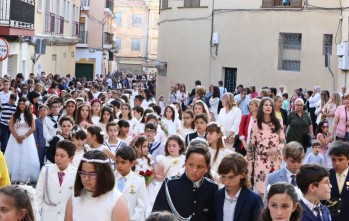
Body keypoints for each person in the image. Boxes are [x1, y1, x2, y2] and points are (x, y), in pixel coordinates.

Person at [152, 140, 218, 221]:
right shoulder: (170, 185)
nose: (194, 170)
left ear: (207, 168)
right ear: (185, 163)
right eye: (191, 165)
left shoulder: (212, 188)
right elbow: (157, 215)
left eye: (200, 167)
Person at [65, 150, 130, 221]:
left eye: (92, 174)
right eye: (83, 173)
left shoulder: (117, 201)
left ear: (104, 175)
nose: (86, 178)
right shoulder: (74, 198)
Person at [247, 97, 286, 198]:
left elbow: (283, 140)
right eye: (266, 105)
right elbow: (251, 145)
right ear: (261, 107)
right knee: (261, 190)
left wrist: (277, 148)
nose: (268, 107)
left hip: (275, 159)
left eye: (270, 105)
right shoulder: (256, 123)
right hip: (260, 160)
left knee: (274, 190)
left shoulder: (279, 122)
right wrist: (250, 166)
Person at [36, 140, 77, 221]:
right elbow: (38, 196)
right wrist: (37, 217)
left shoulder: (76, 174)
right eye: (56, 154)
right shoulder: (46, 170)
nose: (58, 158)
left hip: (66, 217)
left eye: (62, 156)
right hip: (47, 217)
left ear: (71, 158)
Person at [215, 153, 263, 221]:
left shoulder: (254, 199)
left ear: (242, 175)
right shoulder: (217, 195)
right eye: (223, 176)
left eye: (231, 177)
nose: (226, 181)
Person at [5, 97, 40, 184]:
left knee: (26, 155)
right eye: (20, 103)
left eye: (23, 104)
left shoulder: (30, 115)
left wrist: (23, 137)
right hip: (14, 137)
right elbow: (10, 126)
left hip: (27, 138)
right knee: (15, 155)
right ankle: (14, 176)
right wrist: (17, 136)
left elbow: (33, 128)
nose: (22, 105)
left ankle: (24, 177)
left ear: (26, 105)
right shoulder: (14, 114)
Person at [115, 146, 146, 221]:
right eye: (117, 162)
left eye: (123, 162)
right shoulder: (109, 178)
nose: (119, 165)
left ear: (132, 163)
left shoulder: (139, 180)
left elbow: (140, 206)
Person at [132, 136, 156, 217]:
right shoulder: (132, 160)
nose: (146, 149)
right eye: (144, 146)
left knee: (148, 208)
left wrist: (146, 183)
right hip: (136, 187)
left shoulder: (149, 158)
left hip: (147, 187)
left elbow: (153, 173)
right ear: (136, 147)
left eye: (147, 146)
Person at [327, 142, 349, 221]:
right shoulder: (327, 176)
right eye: (333, 160)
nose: (337, 163)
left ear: (348, 159)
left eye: (340, 159)